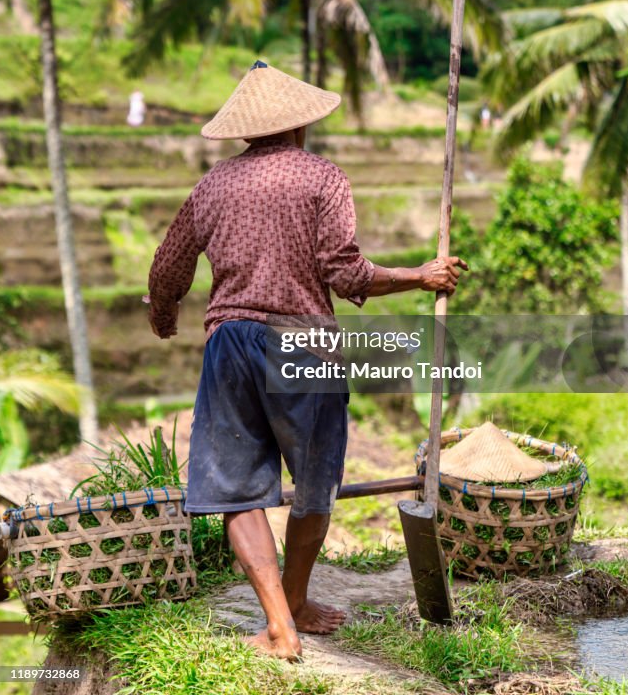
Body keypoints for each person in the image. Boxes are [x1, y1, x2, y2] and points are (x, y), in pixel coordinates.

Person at [147, 61, 468, 661]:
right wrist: (421, 276)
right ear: (299, 125)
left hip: (232, 343)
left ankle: (282, 619)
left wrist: (163, 315)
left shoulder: (212, 186)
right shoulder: (323, 178)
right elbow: (346, 273)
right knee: (316, 480)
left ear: (244, 130)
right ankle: (291, 605)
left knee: (235, 492)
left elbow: (167, 271)